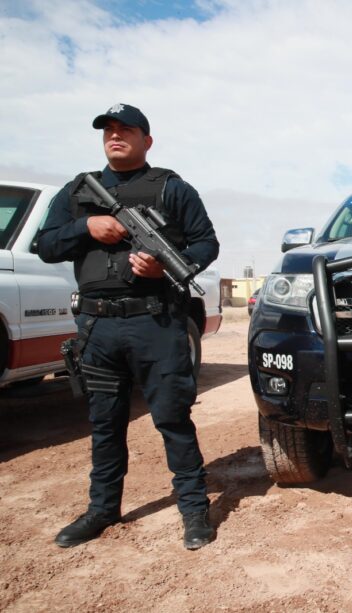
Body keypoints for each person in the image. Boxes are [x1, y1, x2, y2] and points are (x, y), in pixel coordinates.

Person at [37, 103, 220, 550]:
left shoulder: (173, 189)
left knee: (173, 419)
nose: (115, 136)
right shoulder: (78, 192)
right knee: (105, 423)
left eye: (127, 130)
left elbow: (206, 243)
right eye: (109, 130)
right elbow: (46, 245)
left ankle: (194, 511)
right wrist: (87, 225)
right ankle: (102, 510)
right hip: (97, 327)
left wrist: (162, 269)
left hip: (155, 320)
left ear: (147, 141)